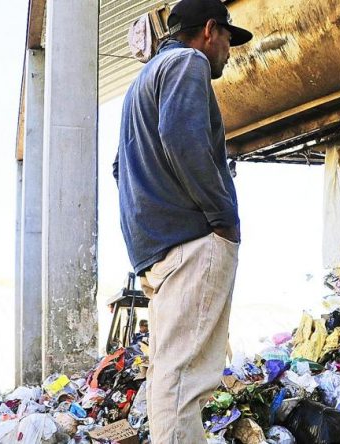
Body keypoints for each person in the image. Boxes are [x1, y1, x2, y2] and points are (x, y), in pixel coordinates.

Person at [113, 0, 252, 441]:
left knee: (172, 373)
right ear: (210, 30)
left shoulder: (141, 83)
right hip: (193, 241)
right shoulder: (187, 61)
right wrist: (222, 216)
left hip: (157, 248)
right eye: (230, 37)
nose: (231, 49)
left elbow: (120, 168)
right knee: (184, 382)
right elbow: (183, 138)